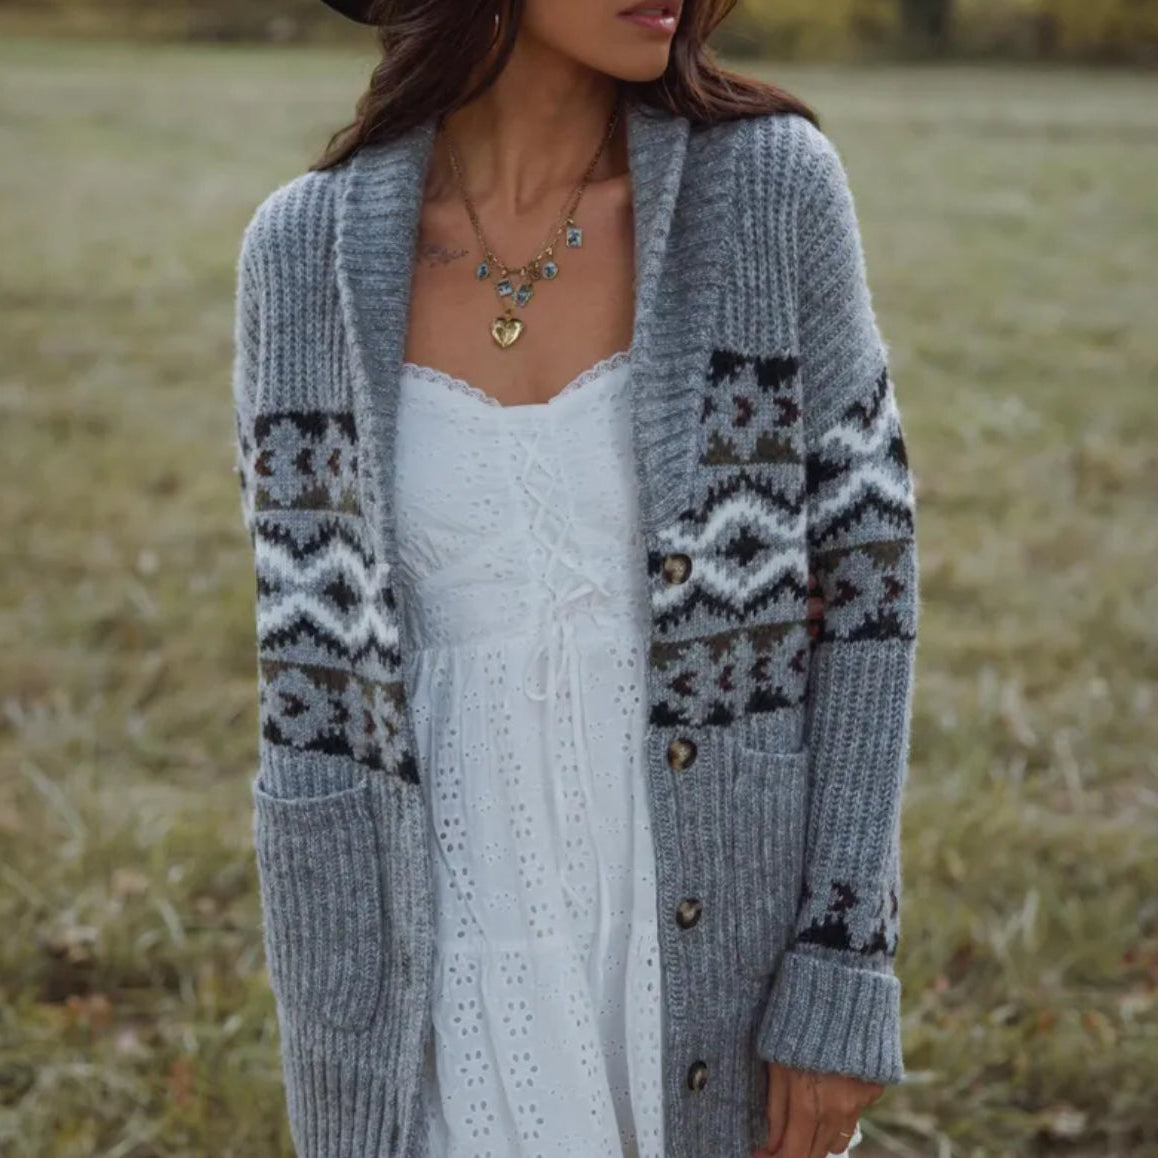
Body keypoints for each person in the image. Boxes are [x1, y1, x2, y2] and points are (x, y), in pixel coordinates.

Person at [228, 1, 920, 1156]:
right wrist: (341, 1061)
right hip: (443, 961)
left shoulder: (765, 196)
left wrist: (842, 965)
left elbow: (869, 599)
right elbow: (308, 713)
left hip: (712, 956)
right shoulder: (303, 257)